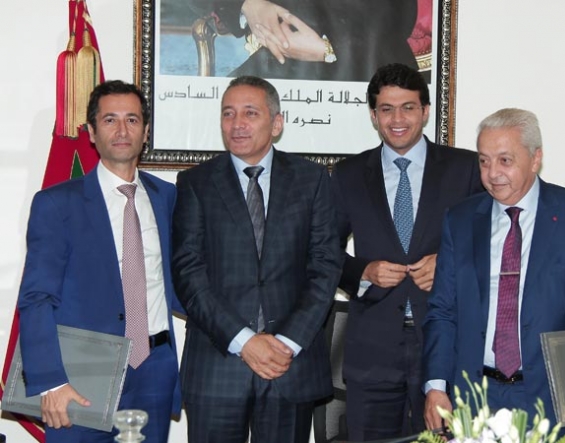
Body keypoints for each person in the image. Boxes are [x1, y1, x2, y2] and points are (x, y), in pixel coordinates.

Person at [422, 108, 565, 442]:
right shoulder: (460, 220)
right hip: (476, 398)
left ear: (535, 159)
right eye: (484, 161)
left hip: (556, 400)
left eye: (505, 160)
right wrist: (436, 386)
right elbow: (442, 310)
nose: (493, 173)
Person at [172, 75, 342, 443]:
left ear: (276, 123)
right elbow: (188, 273)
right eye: (228, 113)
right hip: (218, 366)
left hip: (289, 364)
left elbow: (326, 266)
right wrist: (245, 340)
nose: (237, 124)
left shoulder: (312, 180)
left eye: (250, 113)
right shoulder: (196, 183)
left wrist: (288, 343)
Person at [17, 80, 183, 443]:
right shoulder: (57, 203)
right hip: (82, 372)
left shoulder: (167, 197)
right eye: (110, 120)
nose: (122, 130)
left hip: (154, 369)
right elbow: (36, 298)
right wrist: (50, 382)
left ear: (146, 131)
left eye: (132, 120)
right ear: (92, 132)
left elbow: (181, 279)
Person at [330, 63, 483, 441]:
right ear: (373, 115)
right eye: (386, 109)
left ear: (425, 111)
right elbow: (323, 253)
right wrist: (363, 272)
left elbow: (492, 244)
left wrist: (448, 264)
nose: (397, 119)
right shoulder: (348, 174)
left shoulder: (465, 168)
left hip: (447, 345)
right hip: (373, 350)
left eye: (408, 108)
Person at [185, 0, 421, 81]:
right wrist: (249, 4)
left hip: (364, 66)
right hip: (272, 65)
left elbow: (397, 16)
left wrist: (329, 51)